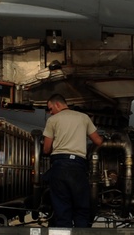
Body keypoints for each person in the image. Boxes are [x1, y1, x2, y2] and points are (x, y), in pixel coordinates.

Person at [42, 94, 104, 227]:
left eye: (51, 108)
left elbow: (46, 149)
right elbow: (98, 141)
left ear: (58, 104)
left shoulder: (53, 120)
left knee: (62, 210)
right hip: (78, 167)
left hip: (59, 167)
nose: (50, 112)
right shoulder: (83, 117)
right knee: (81, 208)